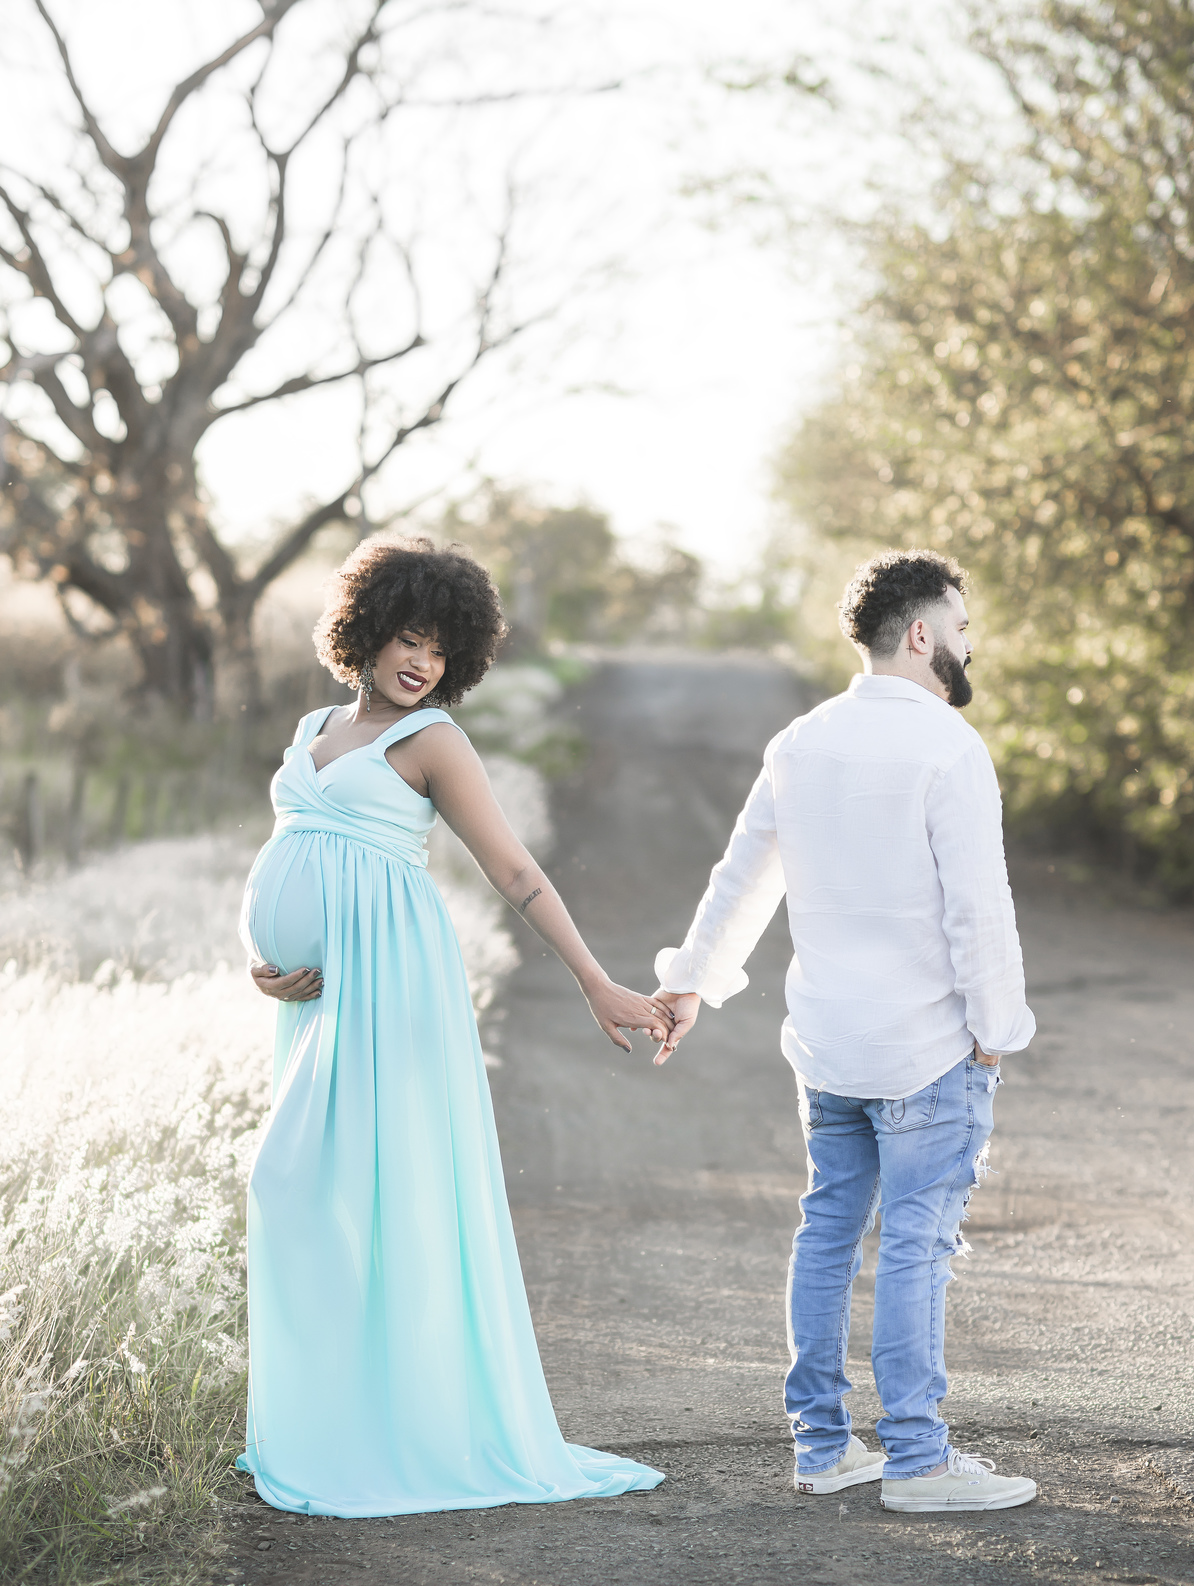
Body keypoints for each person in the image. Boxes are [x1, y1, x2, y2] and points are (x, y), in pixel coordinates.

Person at [237, 533, 669, 1516]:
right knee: (302, 1191)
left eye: (440, 648)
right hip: (315, 1001)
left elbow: (514, 870)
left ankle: (405, 1428)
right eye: (409, 637)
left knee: (373, 1195)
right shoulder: (315, 726)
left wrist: (595, 981)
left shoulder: (433, 740)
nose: (422, 662)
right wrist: (257, 956)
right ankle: (328, 1422)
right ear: (366, 629)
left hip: (390, 983)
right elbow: (288, 845)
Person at [651, 549, 1038, 1513]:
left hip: (828, 1047)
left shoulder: (800, 742)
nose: (968, 643)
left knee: (828, 1231)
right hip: (927, 1050)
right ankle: (917, 1462)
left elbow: (743, 877)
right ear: (922, 633)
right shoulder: (948, 747)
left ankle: (824, 1448)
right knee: (915, 1243)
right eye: (960, 626)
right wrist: (998, 1026)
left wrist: (692, 981)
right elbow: (978, 908)